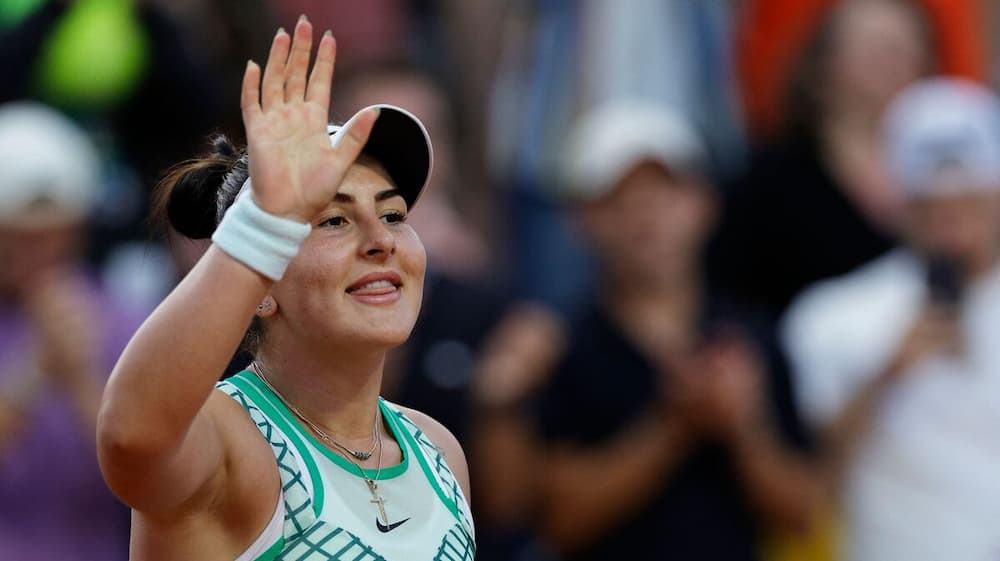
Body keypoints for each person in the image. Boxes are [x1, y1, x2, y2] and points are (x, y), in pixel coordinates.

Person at [97, 17, 474, 560]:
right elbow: (131, 436)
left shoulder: (438, 450)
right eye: (333, 221)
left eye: (393, 214)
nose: (381, 241)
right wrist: (265, 224)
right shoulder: (232, 443)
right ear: (262, 281)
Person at [474, 102, 821, 561]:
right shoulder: (560, 346)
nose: (646, 217)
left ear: (705, 205)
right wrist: (675, 426)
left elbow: (805, 512)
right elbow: (554, 519)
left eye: (665, 193)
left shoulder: (751, 335)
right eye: (620, 199)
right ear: (583, 219)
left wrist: (744, 429)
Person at [782, 77, 1000, 561]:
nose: (952, 220)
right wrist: (885, 375)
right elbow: (806, 484)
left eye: (968, 199)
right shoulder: (832, 316)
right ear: (901, 199)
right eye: (933, 203)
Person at [711, 0, 935, 320]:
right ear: (823, 62)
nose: (894, 62)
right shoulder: (770, 184)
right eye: (876, 48)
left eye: (906, 47)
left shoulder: (957, 172)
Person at [0, 101, 135, 560]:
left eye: (54, 232)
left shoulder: (129, 323)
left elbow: (148, 482)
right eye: (18, 235)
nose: (39, 250)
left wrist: (78, 375)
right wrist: (34, 371)